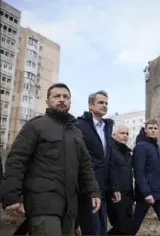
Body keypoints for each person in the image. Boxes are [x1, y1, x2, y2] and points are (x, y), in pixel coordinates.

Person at [0, 83, 101, 236]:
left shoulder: (76, 133)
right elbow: (17, 160)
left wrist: (94, 192)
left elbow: (86, 166)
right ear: (48, 101)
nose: (62, 100)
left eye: (65, 97)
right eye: (57, 96)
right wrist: (11, 196)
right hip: (42, 203)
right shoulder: (36, 126)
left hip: (69, 207)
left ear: (70, 102)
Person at [75, 90, 120, 235]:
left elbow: (109, 160)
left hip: (103, 189)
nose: (104, 105)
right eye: (101, 102)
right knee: (92, 230)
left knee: (101, 230)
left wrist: (114, 187)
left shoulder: (107, 128)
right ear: (90, 105)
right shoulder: (79, 126)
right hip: (86, 189)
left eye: (106, 103)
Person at [131, 119, 160, 236]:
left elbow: (158, 171)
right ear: (145, 130)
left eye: (155, 128)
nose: (153, 130)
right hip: (145, 195)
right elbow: (139, 172)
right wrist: (146, 193)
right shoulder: (141, 147)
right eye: (150, 128)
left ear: (158, 130)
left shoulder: (156, 147)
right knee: (134, 225)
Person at [107, 125, 134, 235]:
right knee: (120, 227)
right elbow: (109, 171)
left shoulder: (128, 152)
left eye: (127, 134)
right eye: (122, 133)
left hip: (128, 196)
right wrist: (114, 189)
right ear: (114, 135)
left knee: (127, 227)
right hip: (116, 196)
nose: (125, 136)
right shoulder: (109, 150)